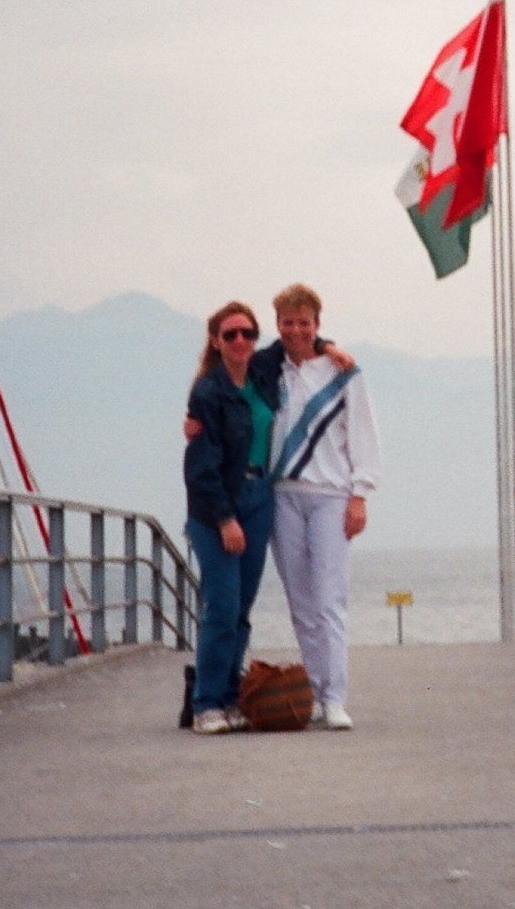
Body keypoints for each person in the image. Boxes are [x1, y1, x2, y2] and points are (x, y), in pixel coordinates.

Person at [181, 304, 350, 734]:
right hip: (219, 505)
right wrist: (224, 519)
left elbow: (296, 342)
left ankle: (229, 697)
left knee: (241, 607)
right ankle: (206, 704)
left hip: (260, 498)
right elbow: (200, 466)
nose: (240, 341)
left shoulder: (260, 370)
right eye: (230, 334)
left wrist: (330, 347)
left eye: (247, 333)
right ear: (216, 341)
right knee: (221, 605)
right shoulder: (207, 391)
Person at [266, 283, 382, 731]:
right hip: (282, 497)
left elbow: (364, 436)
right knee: (300, 601)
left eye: (304, 323)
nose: (296, 330)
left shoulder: (344, 373)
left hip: (331, 497)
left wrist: (360, 494)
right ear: (278, 325)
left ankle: (336, 697)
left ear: (317, 324)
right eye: (288, 323)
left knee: (330, 599)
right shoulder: (269, 369)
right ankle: (313, 692)